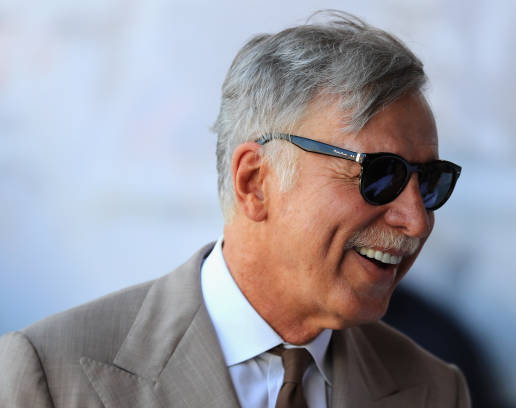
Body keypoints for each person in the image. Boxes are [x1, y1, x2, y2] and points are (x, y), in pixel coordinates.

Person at [0, 11, 470, 408]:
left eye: (429, 182)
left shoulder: (434, 389)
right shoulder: (52, 374)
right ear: (255, 182)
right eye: (380, 175)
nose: (417, 218)